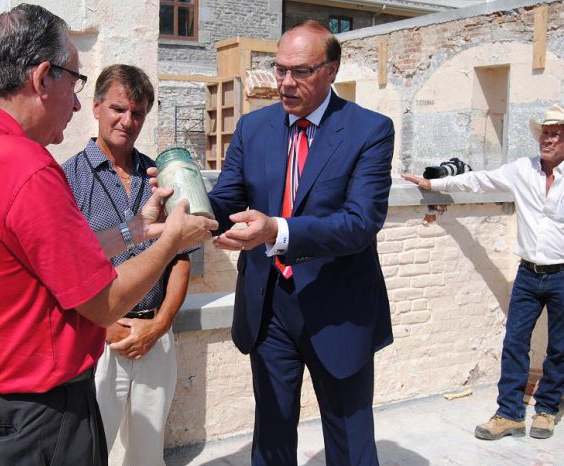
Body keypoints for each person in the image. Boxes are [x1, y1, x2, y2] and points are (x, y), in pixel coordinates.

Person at [0, 5, 216, 465]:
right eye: (75, 83)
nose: (76, 103)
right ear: (41, 78)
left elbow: (50, 258)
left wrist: (136, 229)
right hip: (34, 412)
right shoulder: (29, 169)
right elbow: (103, 301)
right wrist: (172, 240)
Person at [206, 20, 395, 465]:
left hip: (338, 308)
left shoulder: (369, 130)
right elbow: (227, 200)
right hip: (268, 305)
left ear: (330, 71)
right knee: (270, 434)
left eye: (301, 71)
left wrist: (277, 231)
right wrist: (185, 204)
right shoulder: (254, 129)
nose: (286, 83)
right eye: (279, 69)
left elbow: (360, 224)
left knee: (349, 440)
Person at [402, 103, 564, 441]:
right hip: (529, 274)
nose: (547, 140)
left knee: (560, 346)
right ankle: (509, 414)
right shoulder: (523, 169)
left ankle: (547, 409)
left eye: (555, 135)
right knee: (515, 342)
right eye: (545, 134)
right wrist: (433, 184)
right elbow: (480, 180)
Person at [62, 64, 190, 466]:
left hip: (155, 333)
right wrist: (104, 325)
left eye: (137, 113)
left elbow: (180, 256)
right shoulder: (67, 179)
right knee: (93, 450)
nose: (127, 121)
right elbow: (62, 269)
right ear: (96, 107)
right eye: (118, 109)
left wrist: (161, 324)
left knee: (148, 454)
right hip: (99, 339)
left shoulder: (160, 179)